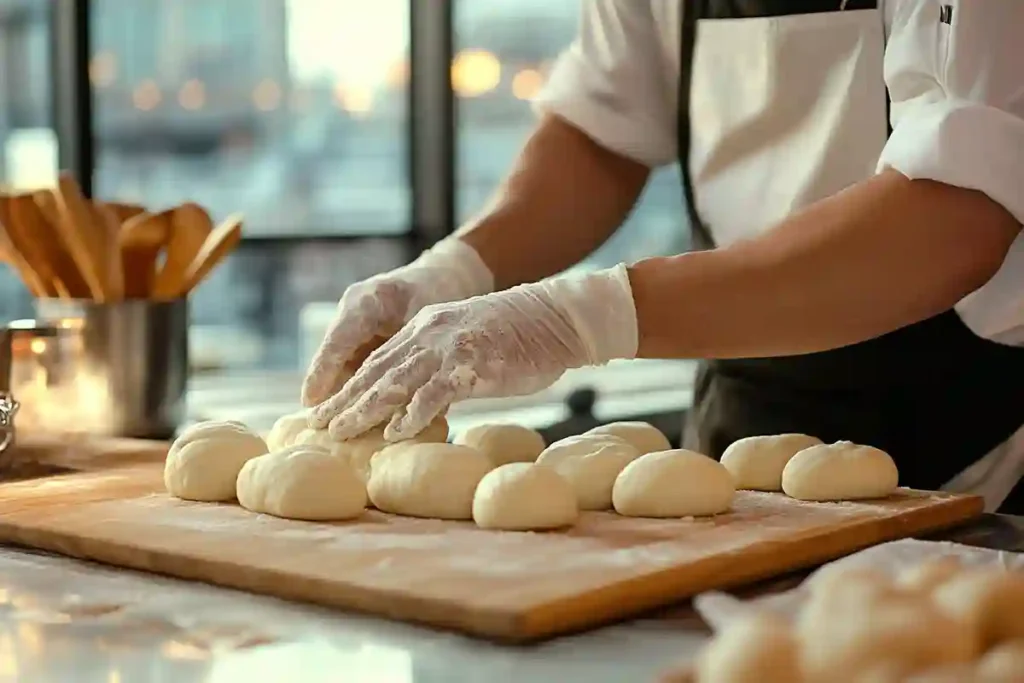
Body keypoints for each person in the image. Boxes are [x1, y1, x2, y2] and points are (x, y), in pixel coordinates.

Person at [303, 1, 1024, 513]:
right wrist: (455, 269)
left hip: (972, 447)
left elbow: (953, 215)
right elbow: (602, 131)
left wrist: (582, 316)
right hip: (743, 431)